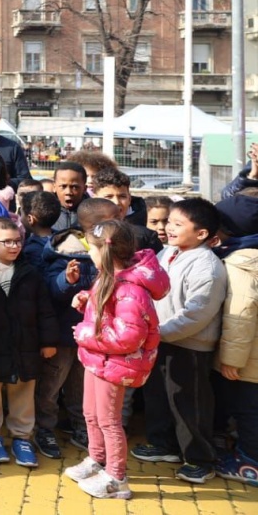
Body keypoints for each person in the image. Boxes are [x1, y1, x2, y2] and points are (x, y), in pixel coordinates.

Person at [70, 221, 170, 500]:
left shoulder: (130, 289)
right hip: (98, 359)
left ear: (105, 251)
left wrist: (86, 333)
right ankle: (96, 459)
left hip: (114, 364)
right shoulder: (110, 277)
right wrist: (87, 299)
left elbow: (129, 337)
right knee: (91, 413)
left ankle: (116, 477)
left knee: (109, 421)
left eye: (90, 248)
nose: (87, 253)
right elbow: (109, 306)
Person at [133, 198, 229, 484]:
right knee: (160, 396)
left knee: (189, 403)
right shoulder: (168, 252)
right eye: (168, 222)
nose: (168, 228)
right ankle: (164, 445)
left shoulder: (208, 267)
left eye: (177, 224)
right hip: (160, 339)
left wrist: (156, 332)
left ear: (202, 234)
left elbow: (196, 315)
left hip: (190, 346)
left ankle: (200, 459)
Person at [36, 197, 120, 458]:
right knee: (51, 385)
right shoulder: (66, 251)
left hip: (93, 338)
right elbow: (50, 289)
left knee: (80, 387)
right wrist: (67, 280)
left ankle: (81, 428)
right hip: (63, 335)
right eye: (115, 220)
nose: (122, 224)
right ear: (97, 226)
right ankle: (44, 429)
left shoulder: (113, 250)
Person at [0, 216, 60, 470]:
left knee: (23, 389)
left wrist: (48, 340)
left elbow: (45, 310)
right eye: (7, 242)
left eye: (17, 241)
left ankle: (22, 437)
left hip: (26, 344)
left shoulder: (30, 272)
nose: (14, 246)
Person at [214, 208, 258, 484]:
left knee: (248, 409)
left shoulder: (242, 262)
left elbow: (240, 315)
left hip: (249, 359)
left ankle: (249, 463)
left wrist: (231, 359)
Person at [91, 168, 159, 252]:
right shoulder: (83, 228)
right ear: (95, 199)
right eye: (108, 197)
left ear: (129, 199)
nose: (116, 202)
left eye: (122, 197)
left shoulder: (145, 237)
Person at [20, 190, 62, 270]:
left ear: (30, 219)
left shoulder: (31, 251)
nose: (20, 217)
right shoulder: (63, 239)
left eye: (21, 213)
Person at [52, 162, 88, 232]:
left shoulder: (94, 213)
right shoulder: (44, 213)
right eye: (63, 186)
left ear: (84, 189)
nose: (68, 192)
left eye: (74, 187)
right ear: (54, 187)